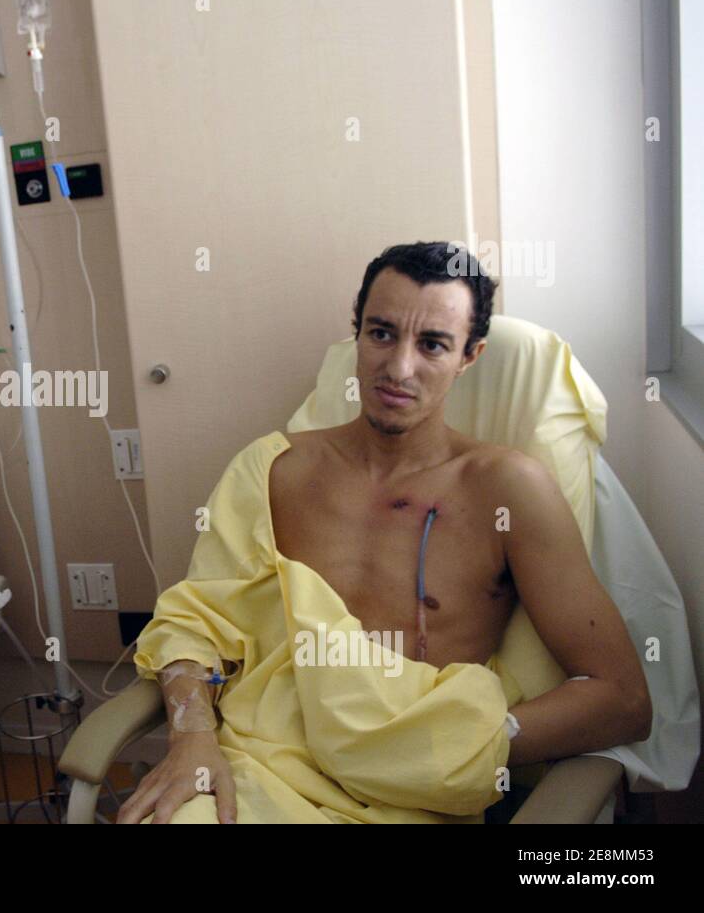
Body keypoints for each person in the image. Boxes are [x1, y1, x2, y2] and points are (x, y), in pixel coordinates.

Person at [118, 242, 651, 824]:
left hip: (411, 800)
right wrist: (192, 738)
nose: (399, 368)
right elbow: (196, 624)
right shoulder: (273, 470)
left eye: (432, 345)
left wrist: (459, 747)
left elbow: (621, 698)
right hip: (256, 771)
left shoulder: (507, 490)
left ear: (469, 357)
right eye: (381, 334)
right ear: (357, 336)